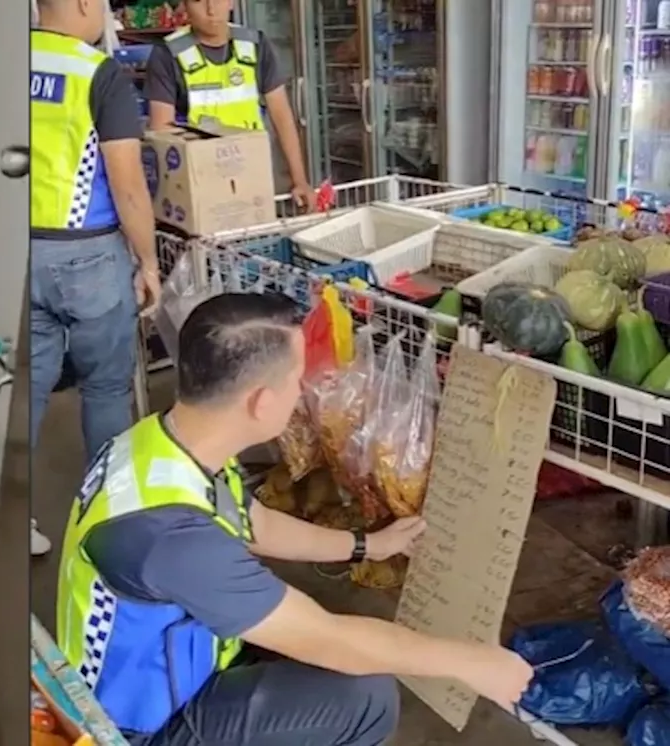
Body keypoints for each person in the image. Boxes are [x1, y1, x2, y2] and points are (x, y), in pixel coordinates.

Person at [55, 292, 533, 745]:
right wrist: (472, 661)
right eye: (298, 380)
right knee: (363, 697)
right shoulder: (171, 536)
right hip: (133, 729)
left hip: (164, 667)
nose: (304, 392)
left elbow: (255, 523)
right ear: (261, 402)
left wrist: (368, 545)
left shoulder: (159, 444)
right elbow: (328, 640)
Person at [30, 0, 161, 556]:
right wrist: (149, 260)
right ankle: (109, 523)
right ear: (84, 4)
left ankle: (13, 524)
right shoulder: (96, 72)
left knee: (26, 394)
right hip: (87, 255)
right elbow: (127, 184)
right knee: (106, 388)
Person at [143, 0, 316, 210]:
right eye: (199, 1)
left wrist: (299, 180)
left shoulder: (255, 45)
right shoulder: (167, 55)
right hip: (200, 187)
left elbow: (282, 115)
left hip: (253, 180)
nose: (211, 9)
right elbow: (162, 131)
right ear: (185, 6)